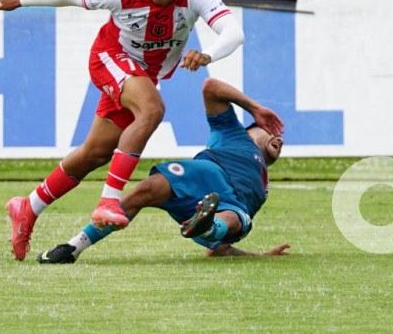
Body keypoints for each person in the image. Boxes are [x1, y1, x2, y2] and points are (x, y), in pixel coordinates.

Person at [0, 0, 245, 260]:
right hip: (111, 58)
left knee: (95, 153)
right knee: (152, 109)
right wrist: (21, 0)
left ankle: (28, 205)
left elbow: (233, 33)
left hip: (142, 75)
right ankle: (108, 201)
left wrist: (208, 54)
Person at [34, 77, 290, 263]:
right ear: (252, 128)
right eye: (272, 132)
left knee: (232, 221)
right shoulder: (230, 133)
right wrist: (254, 108)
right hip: (203, 176)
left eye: (281, 139)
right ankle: (72, 248)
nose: (279, 139)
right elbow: (211, 87)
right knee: (146, 189)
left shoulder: (263, 187)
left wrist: (261, 256)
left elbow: (218, 251)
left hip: (231, 207)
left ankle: (207, 225)